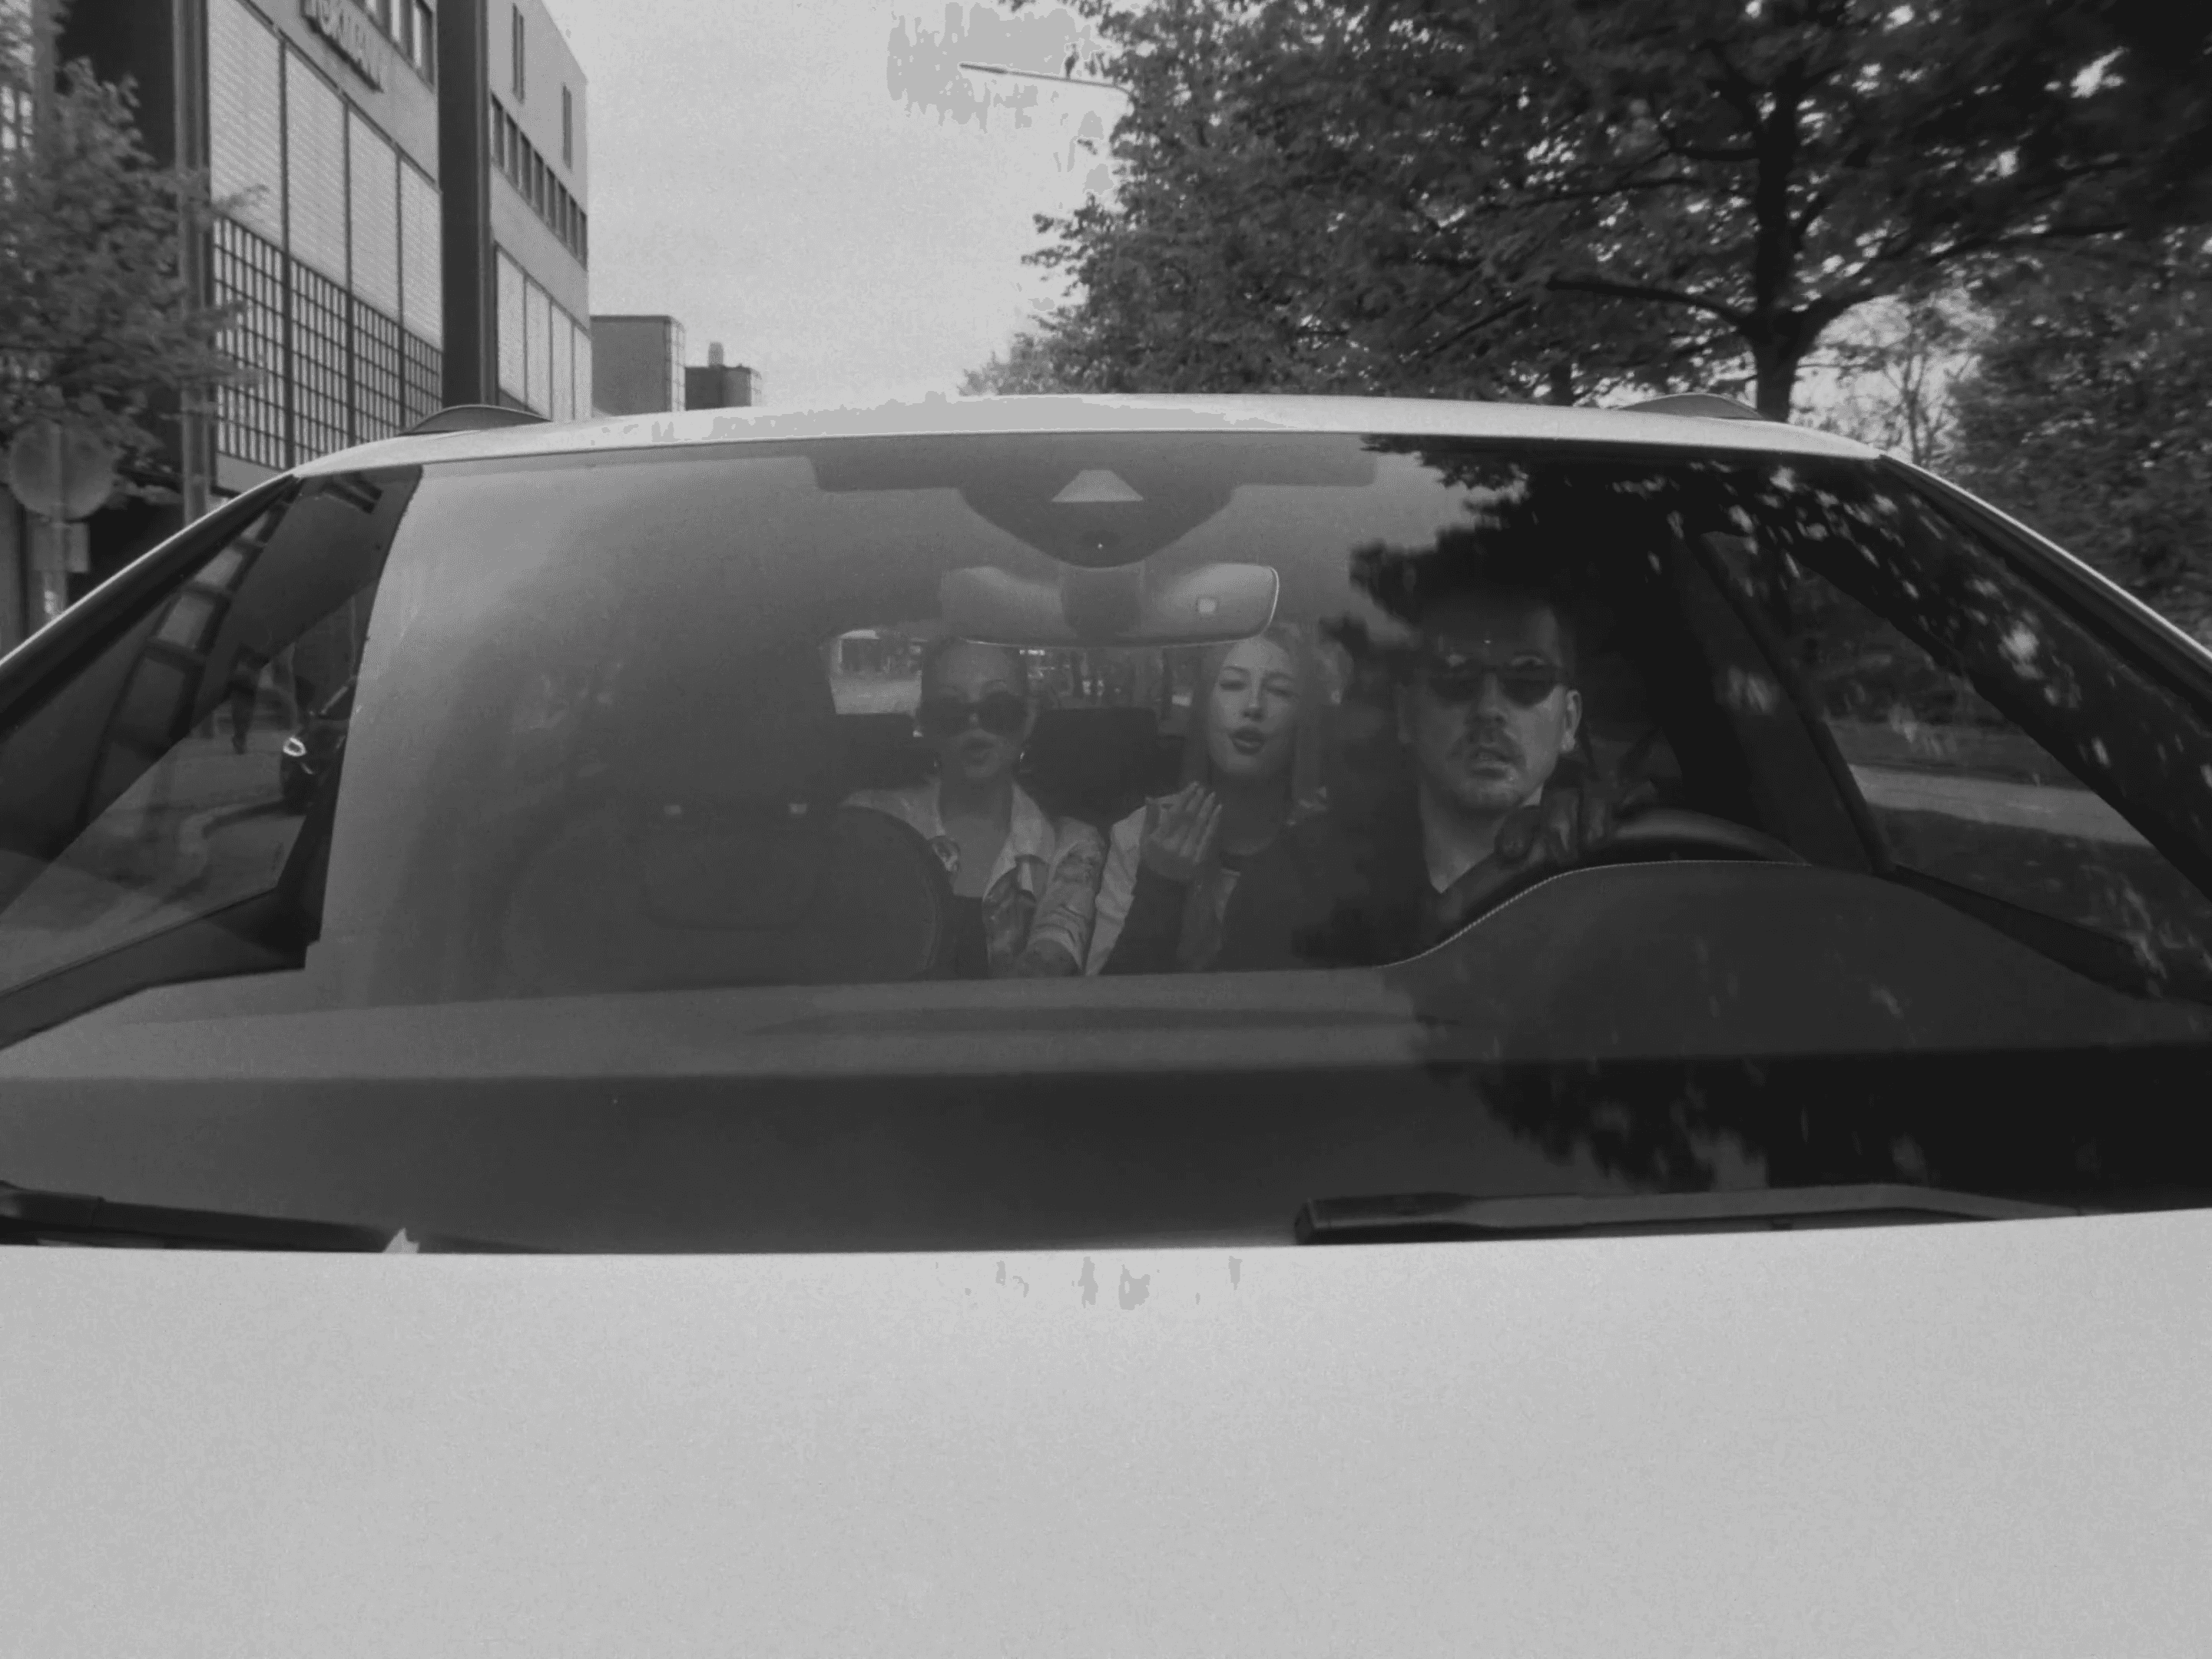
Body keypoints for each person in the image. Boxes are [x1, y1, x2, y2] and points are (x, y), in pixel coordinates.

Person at [846, 637, 1104, 979]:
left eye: (998, 710)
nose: (975, 726)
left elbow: (1047, 968)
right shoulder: (872, 822)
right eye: (950, 713)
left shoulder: (1069, 847)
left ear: (1028, 719)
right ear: (925, 724)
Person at [1086, 625, 1330, 974]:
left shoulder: (1328, 845)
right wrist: (1160, 885)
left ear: (1303, 721)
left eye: (1279, 691)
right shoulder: (1141, 835)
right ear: (1204, 709)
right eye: (1233, 685)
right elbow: (1109, 1001)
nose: (1254, 706)